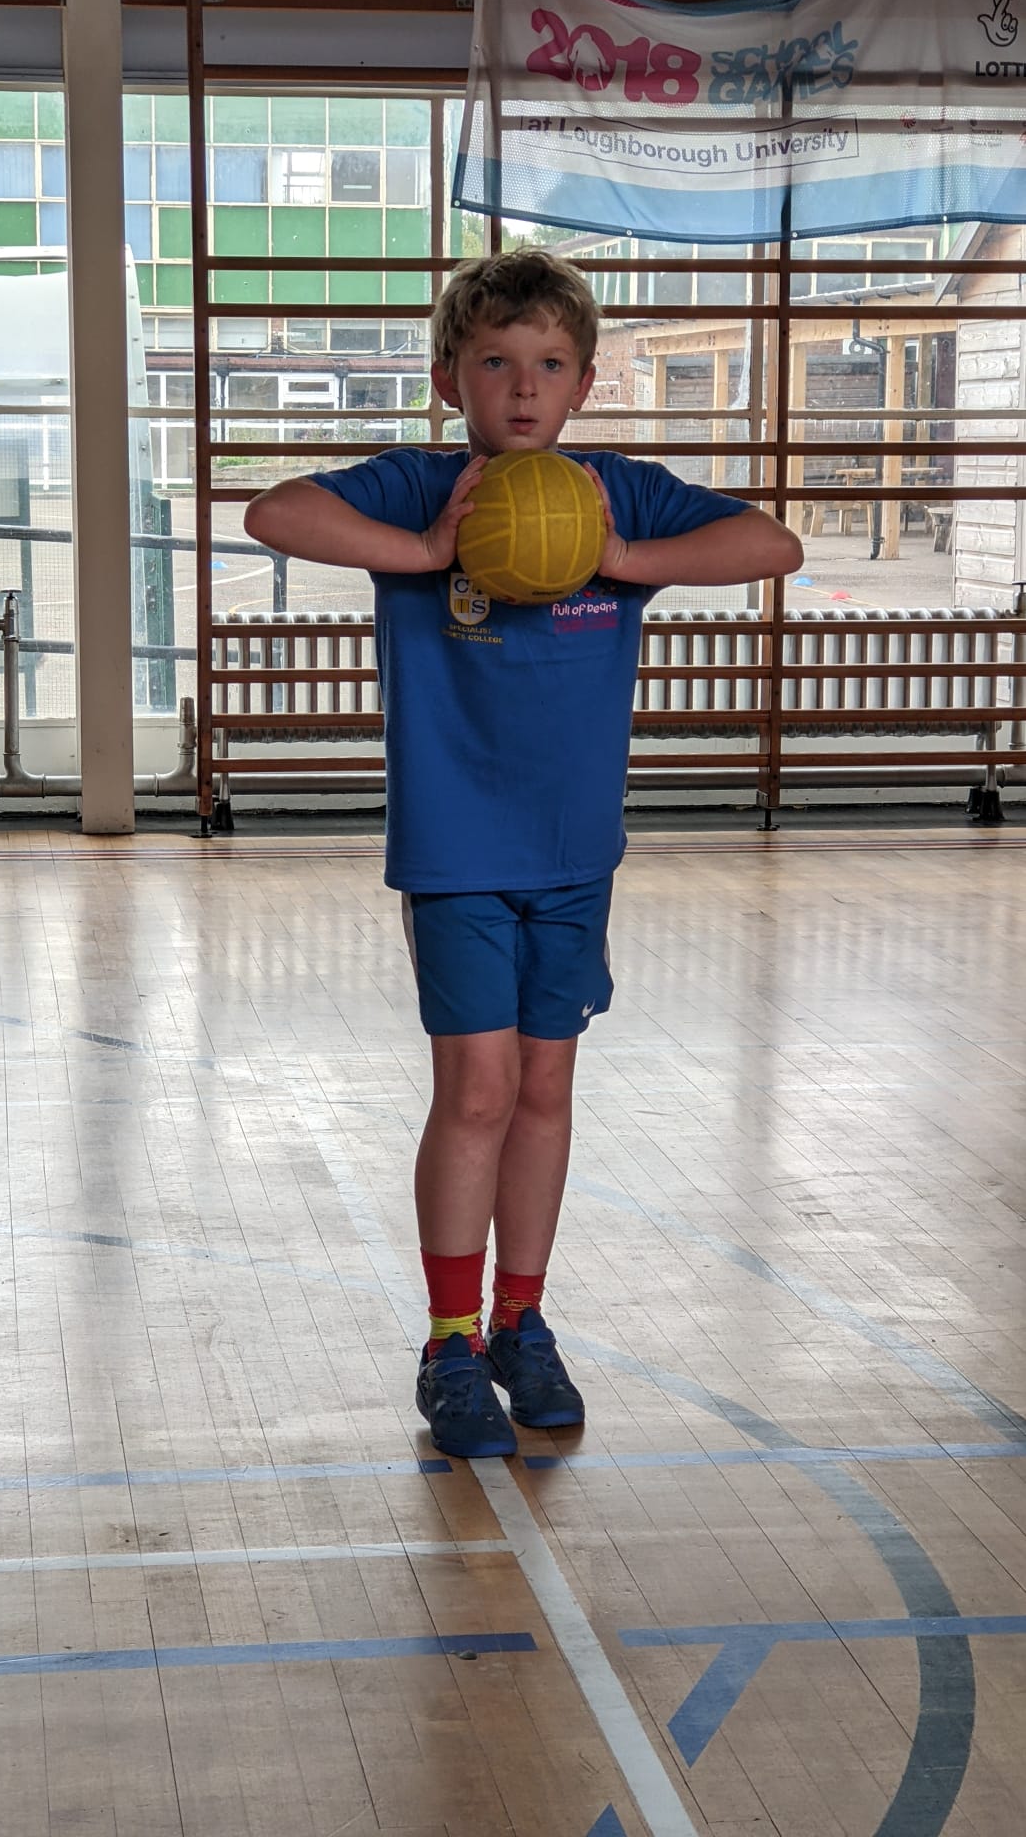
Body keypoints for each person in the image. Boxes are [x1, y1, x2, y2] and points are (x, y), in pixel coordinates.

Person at [244, 249, 802, 1459]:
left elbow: (774, 546)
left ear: (585, 384)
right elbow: (271, 510)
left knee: (546, 1090)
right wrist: (428, 553)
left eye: (549, 363)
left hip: (573, 852)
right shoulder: (418, 487)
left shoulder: (615, 496)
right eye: (494, 361)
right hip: (454, 848)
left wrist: (629, 564)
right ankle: (448, 1341)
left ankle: (521, 1323)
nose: (522, 385)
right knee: (479, 1091)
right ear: (452, 380)